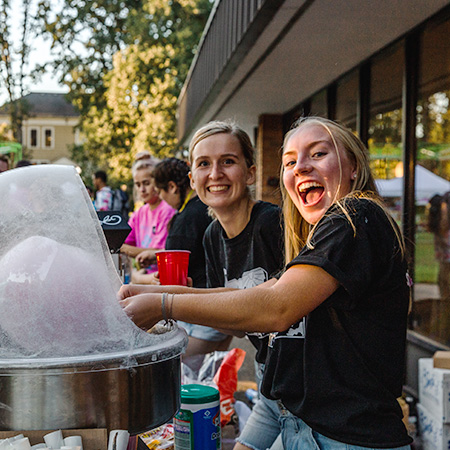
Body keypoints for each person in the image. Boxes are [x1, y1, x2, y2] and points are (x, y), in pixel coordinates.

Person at [119, 117, 412, 449]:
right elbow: (257, 294)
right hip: (293, 412)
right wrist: (152, 291)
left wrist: (162, 305)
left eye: (317, 154)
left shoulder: (355, 216)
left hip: (347, 435)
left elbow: (276, 308)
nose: (301, 167)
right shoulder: (311, 234)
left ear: (353, 166)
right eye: (290, 161)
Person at [188, 120, 285, 450]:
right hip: (269, 380)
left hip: (307, 390)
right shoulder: (212, 237)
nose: (215, 173)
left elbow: (278, 311)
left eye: (228, 161)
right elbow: (238, 326)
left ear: (251, 172)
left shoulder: (274, 224)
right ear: (193, 179)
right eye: (204, 164)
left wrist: (170, 300)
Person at [137, 157, 221, 356]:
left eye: (161, 192)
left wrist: (137, 278)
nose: (163, 200)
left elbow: (171, 280)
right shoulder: (207, 207)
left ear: (173, 187)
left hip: (202, 319)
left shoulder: (183, 221)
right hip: (221, 310)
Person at [120, 158, 176, 282]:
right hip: (145, 275)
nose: (142, 189)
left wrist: (123, 248)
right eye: (138, 184)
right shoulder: (139, 212)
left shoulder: (167, 209)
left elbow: (159, 252)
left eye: (146, 183)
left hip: (162, 277)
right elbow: (123, 239)